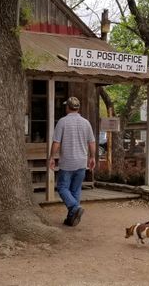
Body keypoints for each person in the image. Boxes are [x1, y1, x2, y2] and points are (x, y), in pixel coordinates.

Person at [49, 96, 96, 227]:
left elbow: (56, 142)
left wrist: (52, 157)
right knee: (75, 190)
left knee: (62, 188)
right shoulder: (86, 123)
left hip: (67, 162)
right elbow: (91, 142)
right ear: (78, 108)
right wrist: (92, 157)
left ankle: (75, 208)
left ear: (67, 107)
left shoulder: (62, 122)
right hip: (81, 162)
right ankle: (71, 219)